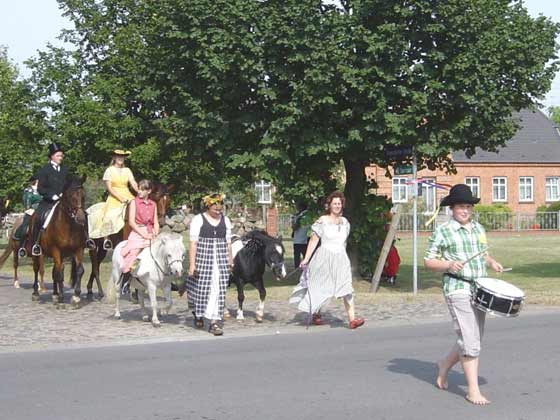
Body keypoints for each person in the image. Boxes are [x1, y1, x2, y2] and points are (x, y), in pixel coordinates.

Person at [424, 184, 503, 405]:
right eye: (461, 206)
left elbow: (483, 254)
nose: (465, 210)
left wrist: (492, 262)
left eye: (468, 206)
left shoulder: (478, 228)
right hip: (457, 288)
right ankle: (473, 390)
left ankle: (444, 365)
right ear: (452, 208)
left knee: (473, 338)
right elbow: (428, 260)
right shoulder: (443, 230)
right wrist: (448, 264)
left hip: (480, 288)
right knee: (470, 339)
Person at [289, 191, 365, 329]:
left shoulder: (345, 223)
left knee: (346, 287)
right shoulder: (322, 221)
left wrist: (343, 257)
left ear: (342, 205)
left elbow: (344, 242)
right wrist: (306, 259)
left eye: (339, 203)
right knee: (320, 286)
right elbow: (313, 240)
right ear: (329, 205)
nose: (337, 206)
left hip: (340, 258)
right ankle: (316, 313)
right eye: (334, 203)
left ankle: (352, 319)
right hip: (323, 257)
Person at [186, 193, 233, 336]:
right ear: (208, 206)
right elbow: (193, 244)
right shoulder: (198, 220)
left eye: (220, 209)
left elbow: (228, 243)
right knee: (200, 289)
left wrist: (230, 260)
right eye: (215, 209)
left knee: (218, 289)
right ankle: (198, 314)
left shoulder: (226, 221)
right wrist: (192, 264)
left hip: (220, 259)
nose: (218, 212)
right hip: (203, 257)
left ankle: (214, 321)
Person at [87, 149, 139, 250]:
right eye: (118, 156)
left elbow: (133, 183)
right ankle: (107, 239)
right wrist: (120, 198)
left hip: (128, 194)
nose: (120, 158)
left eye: (122, 157)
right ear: (114, 158)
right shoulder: (109, 170)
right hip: (115, 196)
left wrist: (140, 192)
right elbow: (110, 188)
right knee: (109, 216)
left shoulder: (127, 170)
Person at [119, 179, 159, 291]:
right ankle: (126, 278)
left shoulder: (153, 204)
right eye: (139, 189)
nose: (139, 192)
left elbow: (156, 221)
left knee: (162, 250)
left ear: (149, 191)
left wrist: (156, 231)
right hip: (138, 231)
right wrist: (144, 234)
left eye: (142, 190)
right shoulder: (134, 202)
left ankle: (166, 279)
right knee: (134, 254)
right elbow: (131, 222)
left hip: (150, 232)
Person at [31, 143, 69, 256]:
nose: (60, 158)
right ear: (52, 156)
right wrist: (52, 195)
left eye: (61, 156)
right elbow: (40, 188)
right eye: (58, 156)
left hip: (63, 201)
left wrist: (65, 193)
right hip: (48, 202)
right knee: (38, 217)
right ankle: (36, 244)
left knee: (80, 215)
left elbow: (68, 184)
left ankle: (85, 240)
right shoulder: (44, 170)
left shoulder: (65, 170)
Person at [16, 176, 42, 257]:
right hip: (32, 210)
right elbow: (27, 200)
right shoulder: (28, 190)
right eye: (38, 180)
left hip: (43, 209)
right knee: (25, 227)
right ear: (35, 181)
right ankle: (22, 247)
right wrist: (29, 208)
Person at [291, 201, 309, 268]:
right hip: (305, 238)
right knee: (306, 255)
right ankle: (306, 267)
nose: (297, 208)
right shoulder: (308, 215)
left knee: (297, 255)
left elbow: (295, 227)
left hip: (298, 239)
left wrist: (293, 222)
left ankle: (297, 267)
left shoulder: (300, 216)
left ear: (301, 207)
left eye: (297, 206)